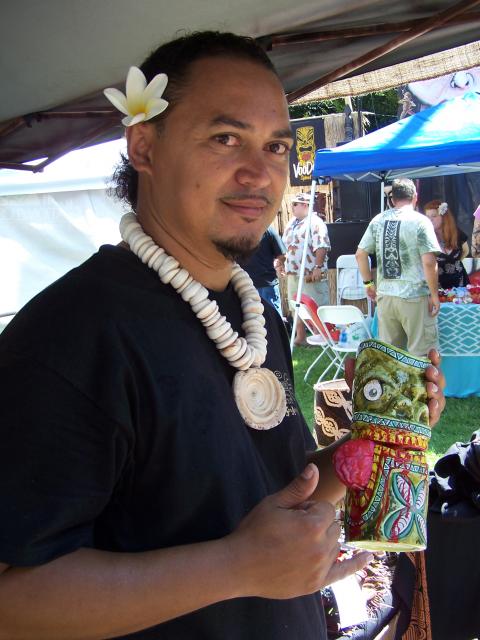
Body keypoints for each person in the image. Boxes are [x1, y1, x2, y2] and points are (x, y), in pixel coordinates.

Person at [0, 32, 445, 640]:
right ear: (144, 146)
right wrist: (235, 567)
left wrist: (374, 441)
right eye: (226, 138)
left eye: (276, 146)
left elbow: (275, 491)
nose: (260, 173)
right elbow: (12, 597)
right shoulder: (71, 334)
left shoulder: (252, 310)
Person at [356, 178, 441, 357]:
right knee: (422, 357)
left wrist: (368, 284)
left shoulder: (378, 220)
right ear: (415, 197)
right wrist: (434, 295)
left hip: (386, 298)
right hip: (414, 297)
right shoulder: (421, 221)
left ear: (393, 199)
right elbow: (429, 262)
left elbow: (360, 255)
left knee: (391, 358)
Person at [282, 192, 331, 346]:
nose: (292, 207)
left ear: (305, 205)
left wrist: (318, 267)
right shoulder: (292, 223)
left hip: (310, 272)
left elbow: (321, 246)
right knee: (294, 305)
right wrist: (281, 263)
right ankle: (300, 336)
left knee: (314, 304)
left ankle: (319, 336)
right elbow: (286, 246)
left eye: (295, 204)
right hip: (293, 273)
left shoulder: (315, 222)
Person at [239, 224, 285, 316]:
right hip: (262, 282)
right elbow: (282, 255)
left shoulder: (238, 231)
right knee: (273, 315)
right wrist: (279, 264)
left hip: (247, 282)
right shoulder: (268, 230)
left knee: (253, 316)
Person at [423, 199, 470, 289]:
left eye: (434, 216)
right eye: (427, 217)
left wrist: (455, 262)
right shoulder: (425, 237)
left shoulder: (456, 233)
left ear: (444, 217)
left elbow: (466, 250)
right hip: (438, 286)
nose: (430, 220)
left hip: (460, 284)